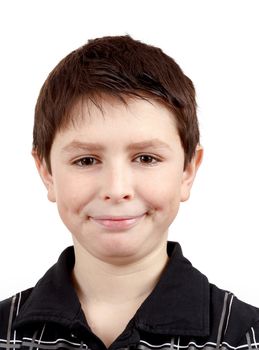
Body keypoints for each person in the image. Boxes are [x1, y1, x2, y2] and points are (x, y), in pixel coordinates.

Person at [0, 35, 258, 350]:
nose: (117, 189)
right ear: (47, 172)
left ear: (188, 170)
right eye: (86, 160)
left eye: (146, 158)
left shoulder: (246, 337)